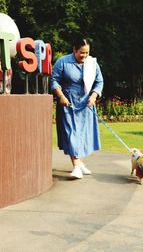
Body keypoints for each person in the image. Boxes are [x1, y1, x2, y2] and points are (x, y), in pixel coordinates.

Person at [50, 38, 104, 179]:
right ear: (74, 50)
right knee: (71, 134)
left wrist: (94, 96)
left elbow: (99, 82)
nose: (84, 56)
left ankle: (80, 163)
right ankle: (76, 166)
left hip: (86, 104)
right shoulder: (62, 62)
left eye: (87, 53)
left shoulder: (92, 64)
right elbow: (54, 80)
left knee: (82, 135)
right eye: (81, 53)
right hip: (68, 103)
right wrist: (60, 96)